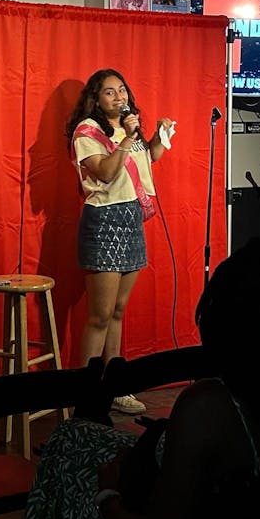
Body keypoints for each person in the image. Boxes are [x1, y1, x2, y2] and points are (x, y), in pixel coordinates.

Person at [19, 238, 260, 519]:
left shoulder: (206, 408)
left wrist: (108, 497)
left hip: (167, 518)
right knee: (75, 437)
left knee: (68, 441)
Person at [65, 69, 174, 415]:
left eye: (122, 90)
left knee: (117, 311)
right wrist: (126, 139)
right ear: (96, 99)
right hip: (104, 221)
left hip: (131, 219)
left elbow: (147, 160)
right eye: (110, 92)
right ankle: (85, 393)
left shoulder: (130, 129)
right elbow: (108, 172)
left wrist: (156, 136)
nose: (119, 97)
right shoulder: (88, 133)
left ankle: (114, 387)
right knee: (98, 316)